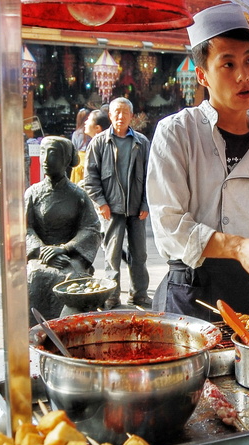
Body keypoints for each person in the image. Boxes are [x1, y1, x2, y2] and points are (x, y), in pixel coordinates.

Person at [146, 3, 249, 321]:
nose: (244, 75)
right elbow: (169, 226)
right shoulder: (176, 133)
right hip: (189, 291)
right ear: (203, 75)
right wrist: (239, 247)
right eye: (227, 64)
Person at [26, 136, 102, 326]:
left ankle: (69, 330)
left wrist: (65, 249)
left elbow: (91, 229)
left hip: (70, 256)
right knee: (35, 276)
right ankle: (36, 331)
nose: (45, 159)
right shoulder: (32, 193)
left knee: (74, 280)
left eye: (52, 154)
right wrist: (42, 250)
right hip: (39, 255)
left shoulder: (78, 195)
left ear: (66, 159)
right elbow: (23, 228)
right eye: (43, 152)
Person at [84, 97, 151, 309]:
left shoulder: (142, 142)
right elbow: (90, 177)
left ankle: (139, 294)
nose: (121, 117)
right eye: (116, 113)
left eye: (125, 113)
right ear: (110, 116)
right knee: (112, 254)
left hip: (136, 208)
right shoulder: (99, 142)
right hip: (111, 208)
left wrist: (146, 204)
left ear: (132, 116)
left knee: (139, 254)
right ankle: (112, 295)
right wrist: (101, 202)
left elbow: (151, 176)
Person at [70, 108, 91, 184]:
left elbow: (73, 149)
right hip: (89, 160)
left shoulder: (76, 133)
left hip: (78, 163)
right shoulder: (90, 132)